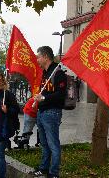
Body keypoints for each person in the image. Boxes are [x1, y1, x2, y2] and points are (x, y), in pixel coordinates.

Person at [30, 46, 67, 178]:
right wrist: (39, 97)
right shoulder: (46, 73)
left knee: (53, 144)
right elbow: (46, 92)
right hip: (42, 112)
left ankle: (54, 173)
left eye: (38, 57)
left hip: (52, 113)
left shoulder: (58, 73)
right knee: (44, 143)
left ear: (45, 57)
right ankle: (44, 168)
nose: (37, 60)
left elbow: (61, 94)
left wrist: (44, 97)